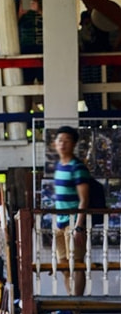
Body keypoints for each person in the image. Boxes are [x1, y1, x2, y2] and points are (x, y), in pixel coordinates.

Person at [52, 125, 92, 296]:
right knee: (63, 265)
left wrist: (78, 226)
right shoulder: (59, 166)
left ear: (73, 144)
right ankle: (70, 298)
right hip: (59, 223)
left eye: (67, 141)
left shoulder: (78, 167)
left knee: (76, 263)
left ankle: (77, 301)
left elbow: (84, 199)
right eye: (60, 140)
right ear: (55, 143)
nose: (63, 144)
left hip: (73, 222)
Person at [18, 0, 43, 86]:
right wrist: (20, 13)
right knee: (26, 82)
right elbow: (10, 24)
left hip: (44, 47)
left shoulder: (48, 2)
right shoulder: (19, 2)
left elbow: (56, 22)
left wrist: (39, 10)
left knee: (45, 82)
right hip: (25, 47)